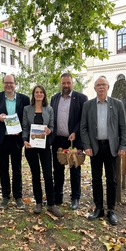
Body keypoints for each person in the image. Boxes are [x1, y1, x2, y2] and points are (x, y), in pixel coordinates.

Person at [80, 76, 126, 225]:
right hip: (95, 148)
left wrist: (123, 146)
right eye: (98, 85)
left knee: (111, 179)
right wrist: (87, 146)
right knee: (96, 179)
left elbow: (123, 127)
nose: (101, 87)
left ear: (108, 87)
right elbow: (83, 128)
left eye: (103, 85)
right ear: (95, 89)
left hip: (112, 147)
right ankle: (99, 208)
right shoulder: (88, 105)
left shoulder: (117, 104)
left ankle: (111, 210)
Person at [0, 74, 30, 209]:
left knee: (17, 169)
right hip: (3, 138)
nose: (8, 85)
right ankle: (5, 196)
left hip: (17, 139)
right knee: (3, 168)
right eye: (6, 83)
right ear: (3, 84)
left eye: (11, 83)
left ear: (15, 84)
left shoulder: (24, 99)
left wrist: (23, 132)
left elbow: (27, 117)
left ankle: (18, 196)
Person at [22, 85, 63, 217]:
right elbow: (25, 127)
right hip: (31, 147)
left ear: (44, 95)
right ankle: (38, 203)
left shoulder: (49, 109)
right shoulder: (27, 109)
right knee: (35, 175)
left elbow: (51, 126)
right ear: (33, 94)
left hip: (44, 146)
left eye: (41, 92)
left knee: (48, 175)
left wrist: (49, 130)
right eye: (36, 92)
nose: (39, 94)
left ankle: (51, 204)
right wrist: (24, 140)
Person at [50, 73, 88, 210]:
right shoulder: (54, 98)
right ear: (60, 84)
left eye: (68, 83)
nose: (66, 85)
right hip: (57, 140)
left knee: (75, 169)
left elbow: (84, 119)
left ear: (72, 83)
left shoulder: (81, 98)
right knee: (58, 169)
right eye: (63, 83)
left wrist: (75, 132)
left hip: (74, 140)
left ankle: (75, 198)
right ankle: (58, 196)